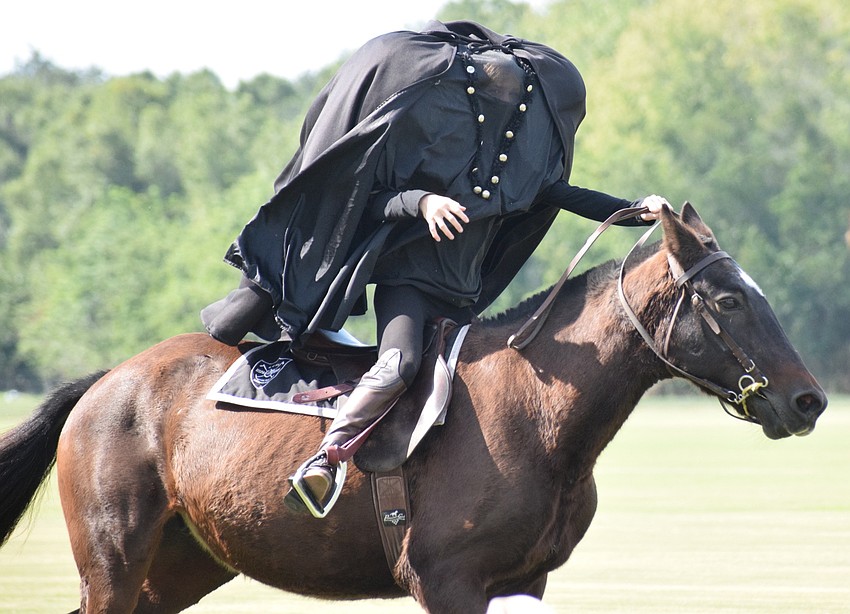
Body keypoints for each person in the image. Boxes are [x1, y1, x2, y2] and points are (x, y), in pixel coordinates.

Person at [201, 20, 668, 514]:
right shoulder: (421, 148)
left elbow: (570, 195)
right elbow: (365, 203)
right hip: (409, 287)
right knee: (399, 365)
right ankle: (325, 460)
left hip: (463, 295)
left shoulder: (515, 170)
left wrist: (638, 208)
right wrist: (421, 202)